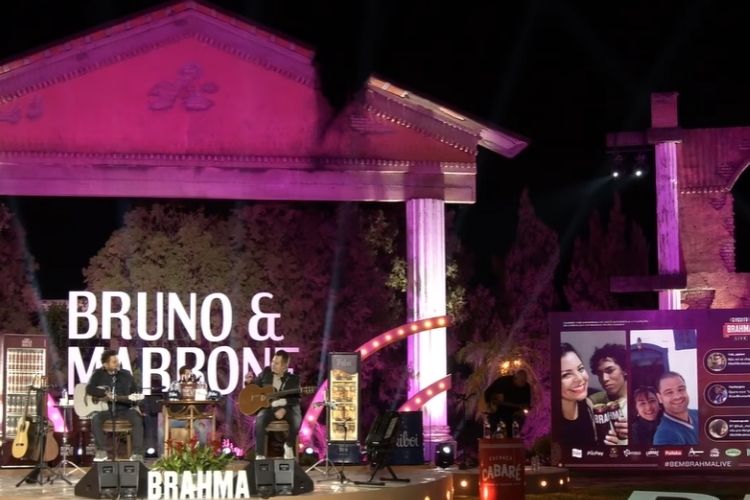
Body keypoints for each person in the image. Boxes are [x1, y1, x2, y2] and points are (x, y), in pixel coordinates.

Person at [87, 349, 145, 462]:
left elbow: (135, 392)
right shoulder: (98, 374)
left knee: (137, 419)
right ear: (105, 365)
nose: (117, 363)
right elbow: (89, 389)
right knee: (96, 419)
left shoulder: (126, 374)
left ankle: (137, 453)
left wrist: (132, 399)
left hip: (125, 409)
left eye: (117, 361)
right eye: (114, 362)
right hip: (107, 410)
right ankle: (101, 451)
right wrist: (103, 393)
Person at [244, 350, 301, 460]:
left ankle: (288, 445)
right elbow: (255, 388)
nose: (273, 365)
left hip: (286, 408)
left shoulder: (293, 379)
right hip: (269, 407)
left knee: (296, 417)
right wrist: (249, 382)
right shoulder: (266, 372)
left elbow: (295, 399)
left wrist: (284, 409)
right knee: (260, 418)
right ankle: (260, 454)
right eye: (272, 361)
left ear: (284, 366)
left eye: (277, 363)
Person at [589, 344, 628, 445]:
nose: (604, 379)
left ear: (625, 370)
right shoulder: (595, 400)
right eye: (599, 373)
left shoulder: (638, 402)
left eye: (610, 371)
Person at [559, 343, 596, 448]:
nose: (580, 378)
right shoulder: (547, 424)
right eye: (566, 375)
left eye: (580, 369)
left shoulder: (593, 403)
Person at [653, 371, 699, 445]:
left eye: (681, 389)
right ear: (659, 398)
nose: (677, 396)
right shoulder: (664, 436)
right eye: (669, 392)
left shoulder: (697, 413)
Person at [169, 366, 210, 445]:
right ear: (181, 375)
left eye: (191, 374)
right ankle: (164, 453)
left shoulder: (197, 386)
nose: (190, 375)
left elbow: (202, 400)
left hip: (193, 418)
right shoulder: (175, 384)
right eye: (187, 373)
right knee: (161, 430)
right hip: (178, 418)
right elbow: (173, 399)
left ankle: (202, 452)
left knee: (202, 430)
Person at [483, 369, 531, 436]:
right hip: (495, 403)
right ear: (515, 379)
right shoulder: (504, 382)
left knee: (516, 420)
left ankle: (515, 436)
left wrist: (524, 409)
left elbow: (527, 403)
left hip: (512, 406)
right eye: (521, 381)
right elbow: (498, 401)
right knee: (495, 416)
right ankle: (493, 434)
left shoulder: (526, 387)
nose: (523, 383)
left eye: (524, 381)